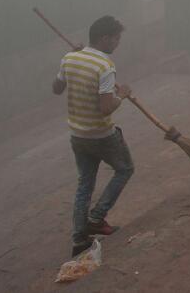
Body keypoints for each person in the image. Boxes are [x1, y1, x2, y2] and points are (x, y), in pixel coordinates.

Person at [52, 16, 135, 257]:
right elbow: (106, 108)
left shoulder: (70, 58)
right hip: (102, 135)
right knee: (125, 169)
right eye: (116, 38)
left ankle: (79, 239)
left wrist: (70, 65)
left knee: (85, 184)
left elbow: (57, 89)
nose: (118, 43)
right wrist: (124, 95)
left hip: (78, 135)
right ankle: (96, 218)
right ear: (104, 38)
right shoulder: (105, 66)